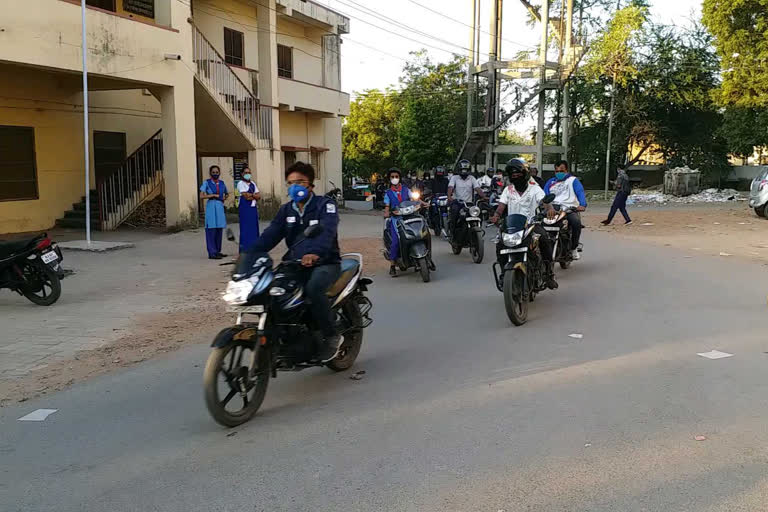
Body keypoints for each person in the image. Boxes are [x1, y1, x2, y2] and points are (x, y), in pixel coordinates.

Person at [246, 161, 343, 362]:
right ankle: (283, 338)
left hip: (325, 262)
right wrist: (249, 253)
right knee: (270, 291)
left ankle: (331, 335)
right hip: (293, 263)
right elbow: (271, 234)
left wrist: (315, 253)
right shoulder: (286, 210)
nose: (295, 187)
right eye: (290, 183)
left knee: (314, 289)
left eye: (300, 182)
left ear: (311, 185)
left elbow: (327, 231)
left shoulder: (325, 205)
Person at [490, 159, 557, 289]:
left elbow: (544, 201)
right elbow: (501, 206)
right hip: (512, 226)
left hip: (531, 224)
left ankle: (549, 274)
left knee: (545, 240)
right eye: (513, 175)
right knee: (500, 245)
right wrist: (496, 216)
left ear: (525, 174)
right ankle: (504, 273)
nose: (516, 177)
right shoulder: (508, 190)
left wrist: (549, 209)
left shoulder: (535, 189)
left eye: (518, 174)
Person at [544, 160, 587, 260]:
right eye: (557, 171)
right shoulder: (550, 182)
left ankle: (574, 248)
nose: (559, 173)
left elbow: (580, 192)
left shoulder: (573, 180)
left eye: (561, 171)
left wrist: (582, 205)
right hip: (553, 209)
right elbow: (544, 196)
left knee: (576, 223)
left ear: (566, 170)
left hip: (569, 209)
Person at [382, 167, 413, 277]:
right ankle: (392, 266)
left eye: (396, 176)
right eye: (392, 177)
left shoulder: (406, 189)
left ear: (400, 178)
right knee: (395, 241)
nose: (394, 178)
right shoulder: (388, 193)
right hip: (396, 219)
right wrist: (386, 212)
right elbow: (387, 205)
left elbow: (414, 199)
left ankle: (427, 259)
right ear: (389, 179)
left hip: (409, 216)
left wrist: (423, 203)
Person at [447, 159, 486, 233]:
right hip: (457, 202)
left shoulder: (472, 178)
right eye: (462, 170)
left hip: (469, 203)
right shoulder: (454, 178)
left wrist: (483, 196)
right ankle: (453, 231)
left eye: (466, 170)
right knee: (454, 213)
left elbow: (477, 188)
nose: (464, 171)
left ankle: (478, 229)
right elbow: (450, 187)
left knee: (478, 212)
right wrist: (449, 197)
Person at [199, 165, 229, 259]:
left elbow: (226, 193)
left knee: (219, 229)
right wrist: (212, 195)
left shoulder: (222, 183)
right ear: (210, 173)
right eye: (213, 172)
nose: (215, 174)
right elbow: (201, 196)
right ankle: (212, 252)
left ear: (219, 173)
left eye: (217, 172)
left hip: (219, 206)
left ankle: (217, 251)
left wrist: (224, 198)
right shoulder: (207, 183)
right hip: (211, 206)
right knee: (211, 229)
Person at [236, 167, 261, 252]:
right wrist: (254, 196)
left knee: (254, 227)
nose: (248, 174)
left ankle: (254, 247)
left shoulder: (253, 183)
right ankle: (245, 248)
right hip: (245, 209)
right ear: (242, 174)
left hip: (253, 208)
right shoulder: (240, 183)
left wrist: (252, 195)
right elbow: (246, 196)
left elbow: (259, 196)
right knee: (245, 228)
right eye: (246, 172)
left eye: (249, 172)